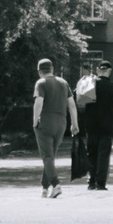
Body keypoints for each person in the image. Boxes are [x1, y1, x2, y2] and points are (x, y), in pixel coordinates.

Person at [79, 60, 113, 191]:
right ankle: (100, 183)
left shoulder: (90, 84)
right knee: (103, 154)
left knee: (91, 153)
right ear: (109, 71)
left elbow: (77, 95)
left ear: (98, 70)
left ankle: (91, 182)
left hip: (91, 125)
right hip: (107, 126)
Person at [31, 59, 74, 198]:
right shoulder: (63, 83)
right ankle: (44, 187)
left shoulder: (41, 83)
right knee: (51, 156)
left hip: (46, 122)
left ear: (39, 71)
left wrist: (35, 121)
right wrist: (75, 123)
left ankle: (56, 185)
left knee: (47, 156)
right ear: (52, 69)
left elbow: (39, 102)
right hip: (61, 123)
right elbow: (72, 105)